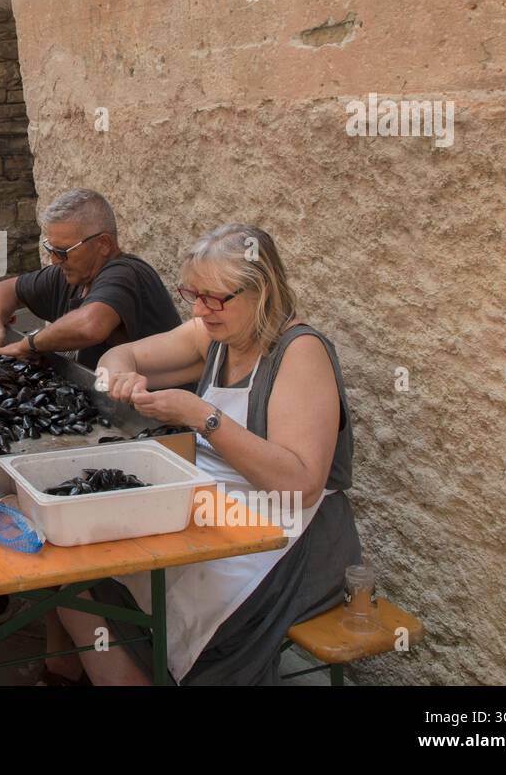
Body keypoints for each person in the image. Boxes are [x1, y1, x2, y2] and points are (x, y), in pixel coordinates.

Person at [43, 224, 362, 685]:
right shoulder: (214, 334)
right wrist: (120, 378)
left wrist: (203, 417)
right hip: (216, 504)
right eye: (193, 293)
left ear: (263, 291)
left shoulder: (300, 352)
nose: (199, 309)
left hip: (286, 535)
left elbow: (300, 484)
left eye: (214, 298)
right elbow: (120, 357)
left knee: (174, 593)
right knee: (85, 578)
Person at [0, 188, 181, 368]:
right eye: (50, 248)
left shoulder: (126, 274)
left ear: (104, 244)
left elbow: (90, 325)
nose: (54, 260)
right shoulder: (70, 273)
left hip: (153, 410)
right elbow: (5, 290)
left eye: (62, 251)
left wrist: (27, 344)